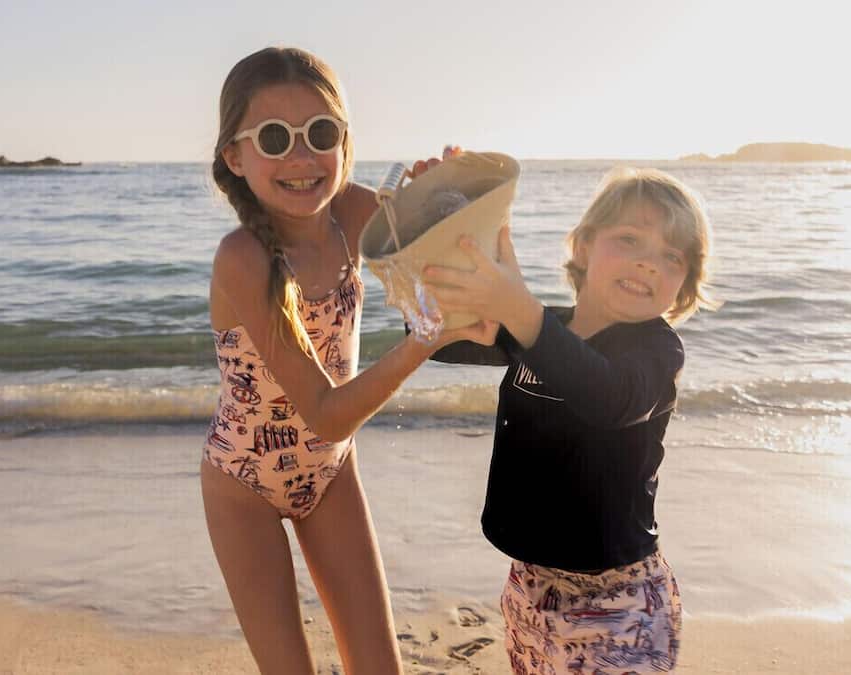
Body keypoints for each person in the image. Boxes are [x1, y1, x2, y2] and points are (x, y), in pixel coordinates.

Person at [201, 46, 488, 675]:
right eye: (274, 138)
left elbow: (456, 276)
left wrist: (451, 200)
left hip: (331, 477)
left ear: (345, 142)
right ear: (235, 156)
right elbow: (327, 413)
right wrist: (423, 341)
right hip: (242, 487)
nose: (302, 158)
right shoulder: (242, 258)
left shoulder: (356, 212)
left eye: (320, 133)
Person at [422, 166, 716, 674]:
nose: (649, 264)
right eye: (629, 239)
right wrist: (439, 221)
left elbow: (609, 398)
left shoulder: (655, 350)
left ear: (684, 282)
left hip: (620, 604)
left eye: (672, 257)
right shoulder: (542, 328)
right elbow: (435, 336)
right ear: (582, 247)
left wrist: (522, 311)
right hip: (530, 590)